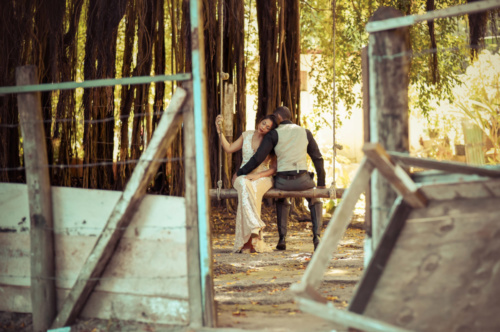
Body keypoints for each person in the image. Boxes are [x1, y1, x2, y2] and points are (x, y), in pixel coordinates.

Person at [236, 106, 326, 251]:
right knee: (315, 197)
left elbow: (258, 158)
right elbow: (317, 158)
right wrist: (321, 182)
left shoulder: (274, 134)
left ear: (278, 118)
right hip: (303, 181)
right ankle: (317, 236)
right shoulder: (305, 132)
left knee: (282, 198)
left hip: (283, 182)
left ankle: (282, 238)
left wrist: (241, 172)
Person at [215, 113, 279, 253]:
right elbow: (229, 149)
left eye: (268, 127)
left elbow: (274, 168)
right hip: (243, 175)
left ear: (270, 130)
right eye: (263, 123)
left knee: (252, 188)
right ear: (259, 121)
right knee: (244, 184)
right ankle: (253, 232)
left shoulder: (270, 142)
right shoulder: (246, 135)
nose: (264, 128)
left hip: (263, 176)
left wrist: (258, 175)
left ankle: (248, 243)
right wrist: (219, 131)